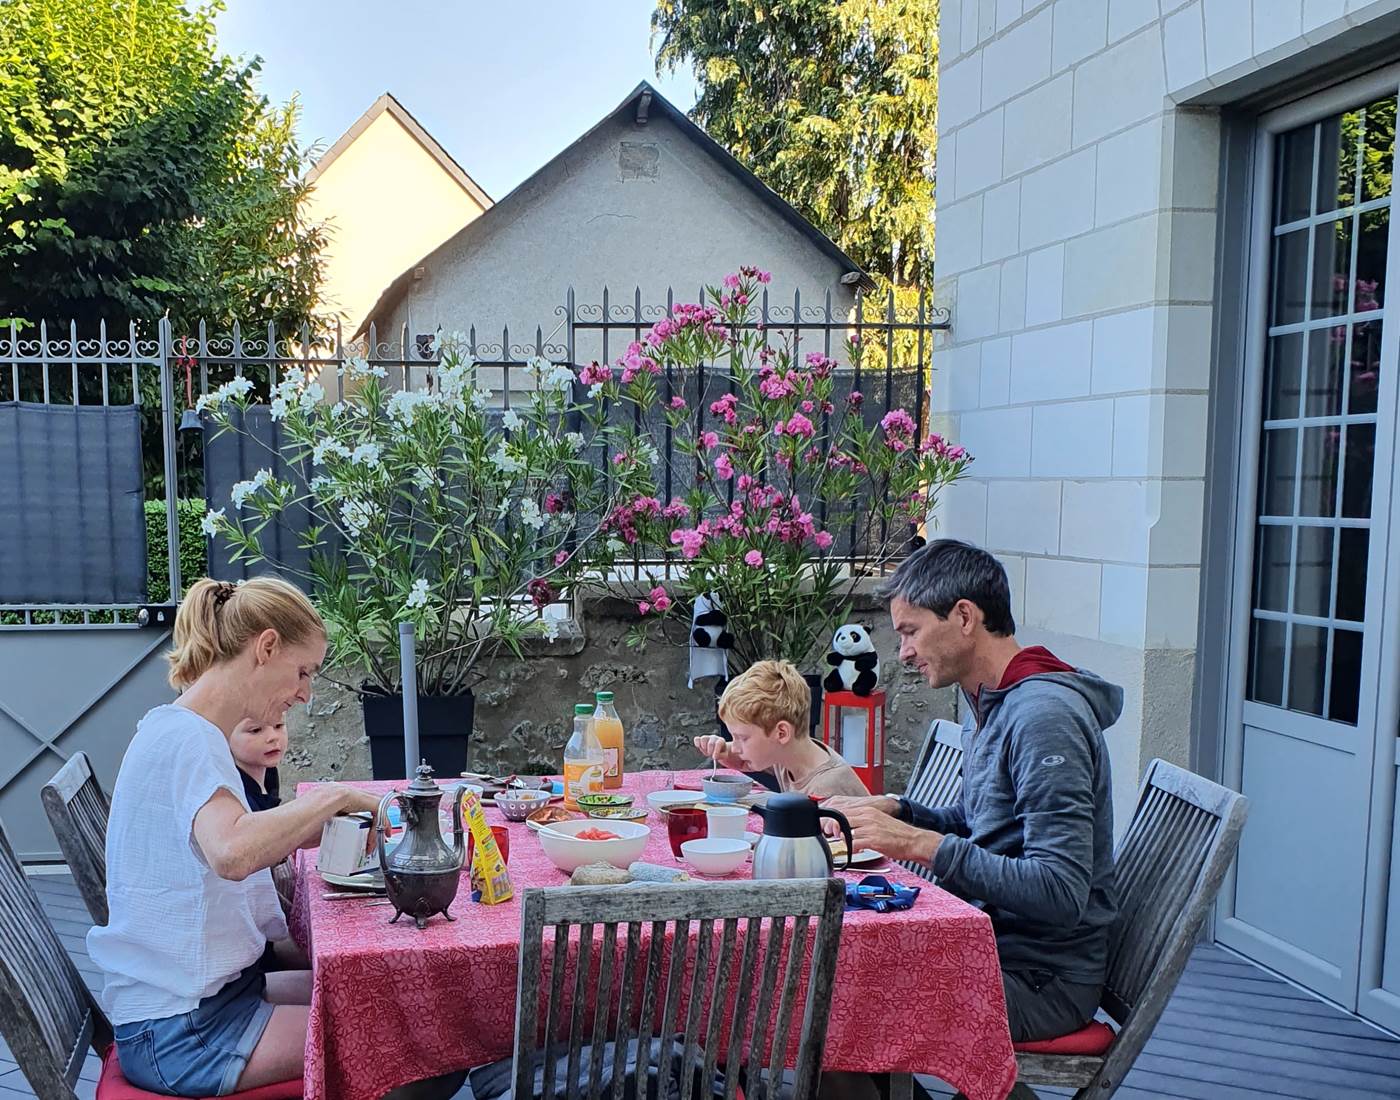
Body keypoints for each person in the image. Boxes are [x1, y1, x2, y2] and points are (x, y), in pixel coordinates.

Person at [88, 577, 382, 1097]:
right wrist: (330, 799)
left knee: (383, 996)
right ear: (266, 647)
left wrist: (331, 824)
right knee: (397, 1044)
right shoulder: (188, 740)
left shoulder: (182, 731)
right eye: (303, 672)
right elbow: (233, 852)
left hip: (199, 1005)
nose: (305, 693)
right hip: (183, 1032)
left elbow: (235, 844)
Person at [825, 540, 1121, 1043]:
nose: (905, 653)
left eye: (911, 631)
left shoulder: (1043, 717)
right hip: (988, 946)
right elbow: (987, 823)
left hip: (1038, 980)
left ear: (964, 616)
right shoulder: (992, 700)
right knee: (826, 982)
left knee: (832, 1006)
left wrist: (916, 843)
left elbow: (1061, 892)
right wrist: (898, 810)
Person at [694, 659, 869, 798]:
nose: (736, 746)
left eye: (743, 738)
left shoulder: (827, 789)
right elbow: (744, 759)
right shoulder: (790, 753)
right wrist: (723, 749)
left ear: (782, 733)